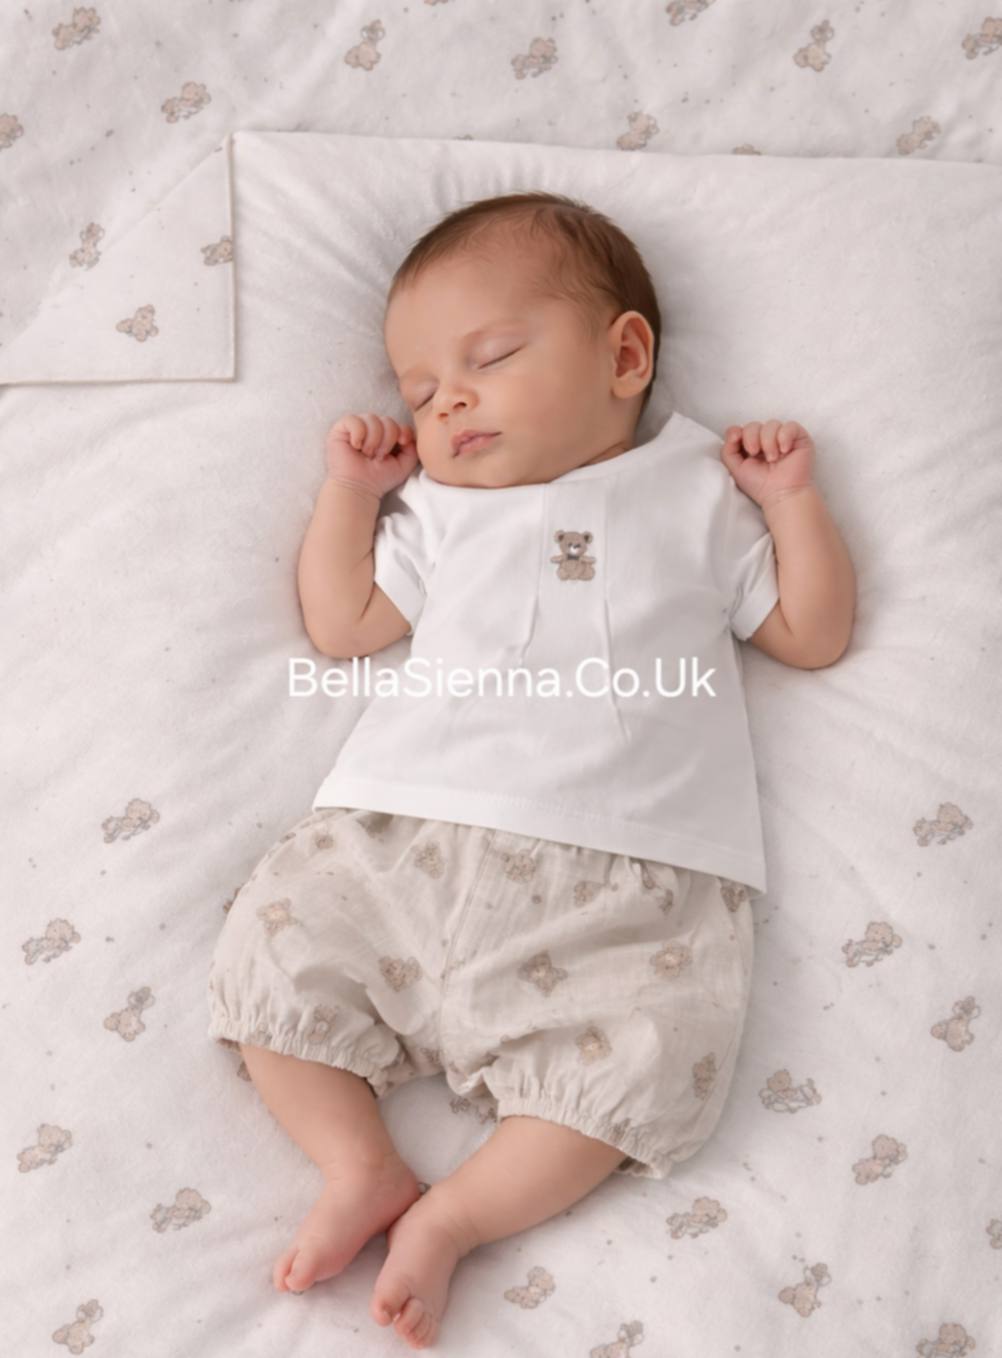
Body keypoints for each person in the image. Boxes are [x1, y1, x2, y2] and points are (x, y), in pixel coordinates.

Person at [207, 191, 856, 1350]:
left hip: (631, 873)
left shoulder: (704, 490)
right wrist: (353, 495)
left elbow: (810, 633)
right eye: (420, 392)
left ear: (625, 356)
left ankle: (454, 1215)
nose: (447, 400)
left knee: (643, 1055)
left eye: (491, 357)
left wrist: (793, 503)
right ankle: (358, 1163)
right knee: (274, 957)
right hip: (405, 834)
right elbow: (344, 623)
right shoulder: (442, 507)